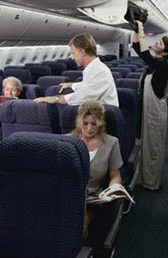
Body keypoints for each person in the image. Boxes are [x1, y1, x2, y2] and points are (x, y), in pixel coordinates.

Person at [132, 20, 168, 190]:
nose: (155, 43)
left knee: (153, 147)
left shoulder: (163, 66)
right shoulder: (155, 65)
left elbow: (144, 53)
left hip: (155, 113)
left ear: (164, 53)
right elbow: (137, 47)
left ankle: (151, 182)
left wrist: (141, 28)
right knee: (145, 144)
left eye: (159, 43)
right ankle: (142, 178)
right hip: (148, 110)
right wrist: (135, 30)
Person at [71, 100, 122, 251]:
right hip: (68, 197)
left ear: (101, 123)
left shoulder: (111, 143)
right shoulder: (66, 141)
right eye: (85, 123)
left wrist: (113, 189)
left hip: (92, 199)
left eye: (94, 124)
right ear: (79, 121)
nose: (89, 128)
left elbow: (115, 175)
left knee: (79, 225)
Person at [34, 33, 119, 107]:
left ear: (82, 52)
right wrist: (71, 85)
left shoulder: (100, 71)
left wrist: (55, 99)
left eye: (73, 53)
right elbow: (88, 86)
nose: (72, 57)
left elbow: (82, 97)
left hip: (104, 118)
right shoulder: (93, 69)